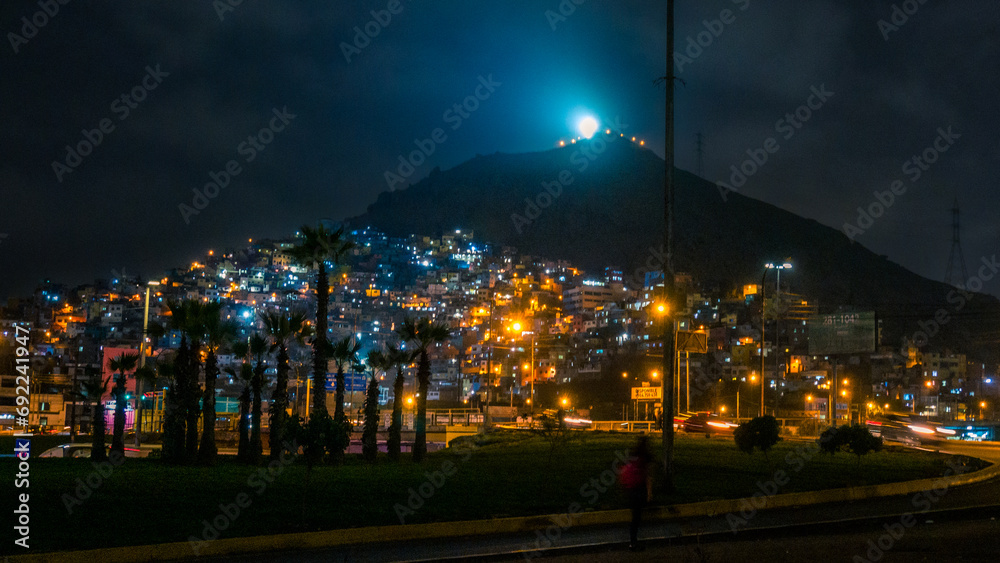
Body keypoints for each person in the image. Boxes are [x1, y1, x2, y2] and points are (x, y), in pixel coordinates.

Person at [620, 434, 654, 551]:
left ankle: (633, 541)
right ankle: (633, 543)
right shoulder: (646, 457)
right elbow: (648, 476)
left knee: (635, 516)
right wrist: (649, 494)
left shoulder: (632, 454)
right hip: (639, 489)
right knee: (636, 517)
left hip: (630, 488)